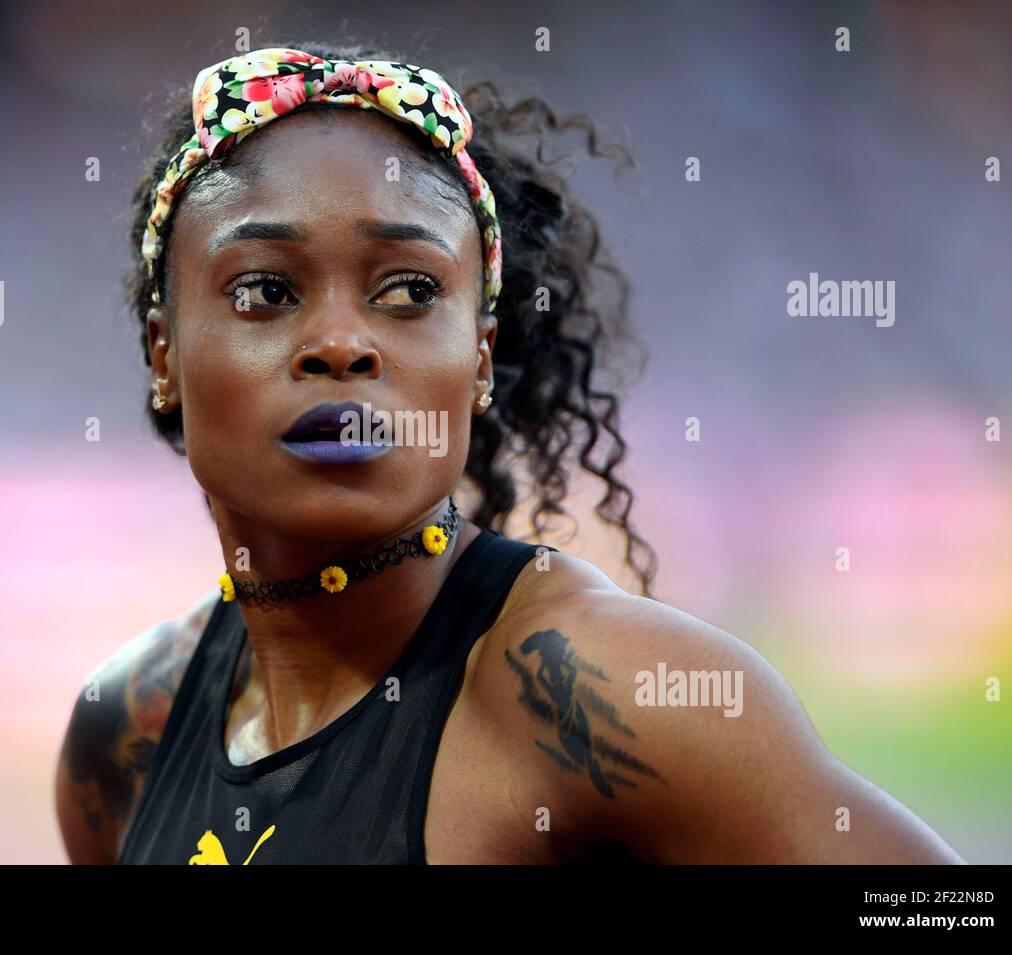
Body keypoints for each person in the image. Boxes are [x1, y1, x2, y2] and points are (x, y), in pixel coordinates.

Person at [54, 42, 965, 864]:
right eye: (264, 290)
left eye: (409, 290)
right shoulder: (126, 735)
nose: (341, 342)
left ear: (479, 359)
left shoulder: (609, 696)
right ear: (165, 353)